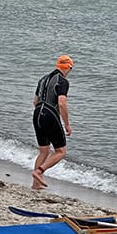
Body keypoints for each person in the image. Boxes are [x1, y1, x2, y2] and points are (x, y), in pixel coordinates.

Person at [31, 55, 74, 189]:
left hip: (37, 113)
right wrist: (67, 124)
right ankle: (39, 171)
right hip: (49, 114)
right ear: (68, 67)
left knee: (44, 151)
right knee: (61, 151)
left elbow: (35, 101)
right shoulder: (62, 81)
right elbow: (61, 103)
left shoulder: (43, 79)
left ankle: (36, 184)